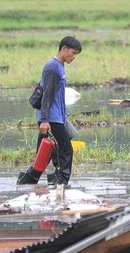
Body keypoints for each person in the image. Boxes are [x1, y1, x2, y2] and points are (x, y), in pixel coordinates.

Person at [17, 36, 82, 185]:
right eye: (72, 53)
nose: (73, 57)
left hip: (56, 117)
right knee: (66, 150)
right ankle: (61, 183)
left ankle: (26, 182)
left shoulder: (59, 66)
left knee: (44, 154)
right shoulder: (53, 67)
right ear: (63, 49)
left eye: (76, 54)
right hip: (51, 119)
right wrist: (45, 120)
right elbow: (46, 96)